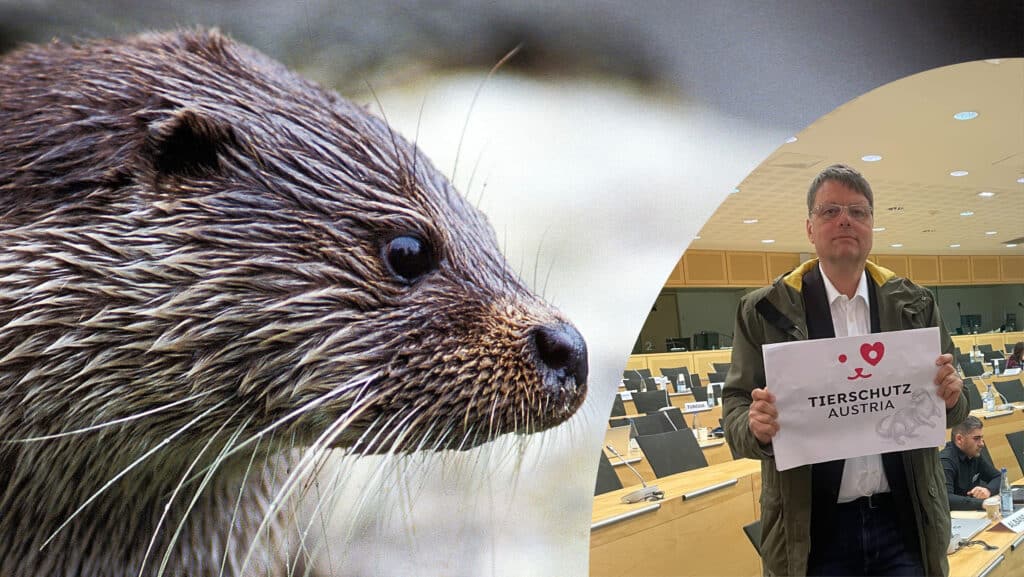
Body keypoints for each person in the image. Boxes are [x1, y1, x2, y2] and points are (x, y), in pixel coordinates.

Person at [722, 163, 967, 577]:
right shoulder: (763, 311)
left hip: (905, 523)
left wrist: (953, 395)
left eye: (858, 211)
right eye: (830, 211)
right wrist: (754, 427)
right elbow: (734, 410)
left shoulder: (917, 305)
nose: (845, 220)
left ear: (871, 224)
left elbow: (958, 403)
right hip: (812, 532)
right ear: (810, 228)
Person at [939, 416, 1001, 511]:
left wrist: (988, 490)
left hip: (972, 510)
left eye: (981, 438)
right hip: (954, 515)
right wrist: (982, 503)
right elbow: (946, 498)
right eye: (976, 438)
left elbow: (998, 477)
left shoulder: (974, 455)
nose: (982, 444)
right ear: (959, 439)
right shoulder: (945, 461)